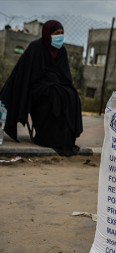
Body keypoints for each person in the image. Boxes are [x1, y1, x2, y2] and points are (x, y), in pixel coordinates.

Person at [0, 20, 83, 156]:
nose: (60, 36)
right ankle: (46, 137)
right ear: (47, 34)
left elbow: (65, 75)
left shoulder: (61, 51)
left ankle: (65, 138)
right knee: (52, 95)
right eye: (56, 33)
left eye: (62, 33)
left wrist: (55, 81)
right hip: (37, 88)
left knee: (71, 95)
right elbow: (27, 75)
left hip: (56, 85)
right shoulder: (36, 48)